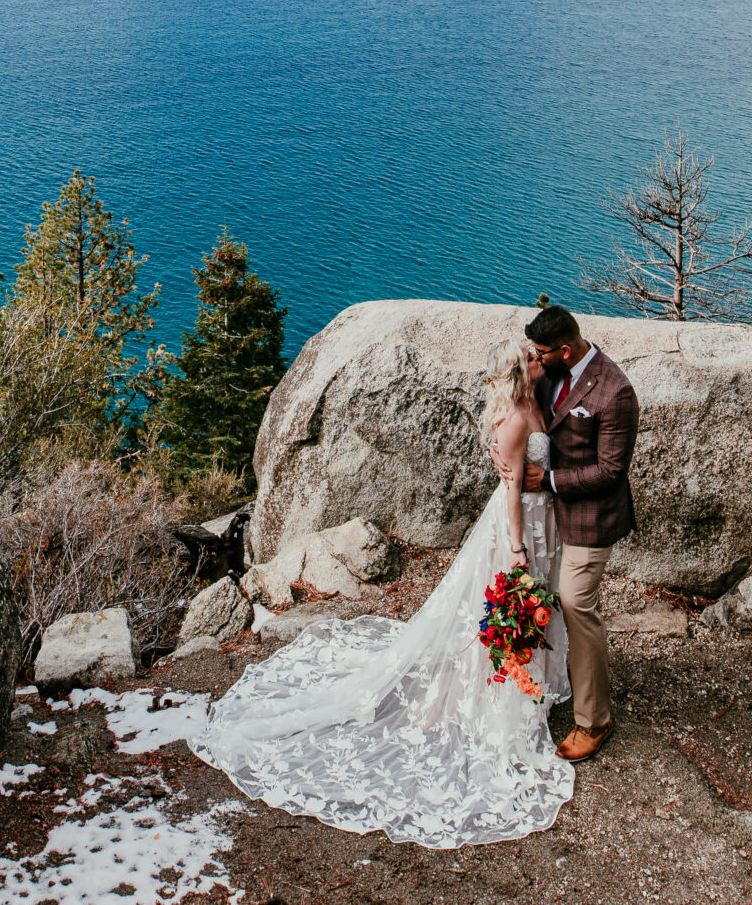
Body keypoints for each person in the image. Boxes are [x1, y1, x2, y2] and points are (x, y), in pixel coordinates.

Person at [187, 327, 578, 848]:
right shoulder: (513, 421)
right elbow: (510, 488)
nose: (539, 359)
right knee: (509, 604)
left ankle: (528, 683)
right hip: (518, 524)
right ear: (517, 371)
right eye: (531, 357)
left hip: (542, 516)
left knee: (528, 605)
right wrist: (517, 546)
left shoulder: (535, 399)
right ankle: (497, 688)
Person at [521, 300, 640, 763]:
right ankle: (553, 681)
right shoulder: (549, 370)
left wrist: (548, 481)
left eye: (541, 352)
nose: (536, 358)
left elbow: (611, 471)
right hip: (547, 513)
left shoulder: (615, 393)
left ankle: (595, 721)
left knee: (574, 601)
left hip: (592, 515)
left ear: (565, 351)